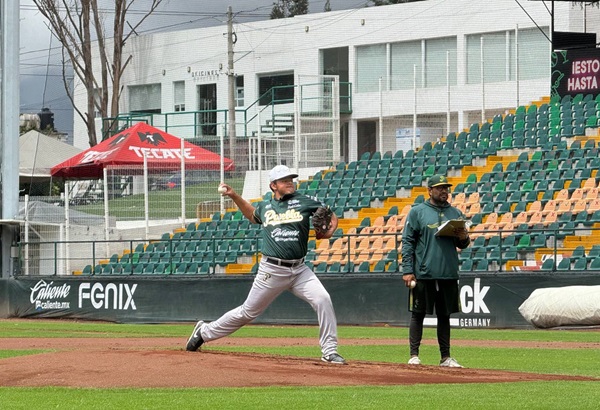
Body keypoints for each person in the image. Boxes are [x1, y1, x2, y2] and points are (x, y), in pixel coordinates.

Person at [186, 164, 346, 364]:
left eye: (291, 179)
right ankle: (204, 331)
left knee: (323, 299)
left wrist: (328, 232)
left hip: (299, 270)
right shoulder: (265, 206)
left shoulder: (305, 202)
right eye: (285, 180)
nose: (290, 182)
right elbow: (253, 216)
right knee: (248, 312)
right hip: (272, 269)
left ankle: (329, 351)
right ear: (273, 185)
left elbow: (331, 215)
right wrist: (234, 195)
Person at [401, 174, 470, 368]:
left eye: (446, 188)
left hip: (448, 271)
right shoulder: (417, 212)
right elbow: (407, 242)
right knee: (418, 313)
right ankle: (414, 355)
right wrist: (408, 270)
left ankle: (445, 357)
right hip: (424, 272)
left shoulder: (455, 213)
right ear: (430, 190)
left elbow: (462, 244)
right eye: (439, 188)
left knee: (445, 315)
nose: (444, 191)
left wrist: (464, 236)